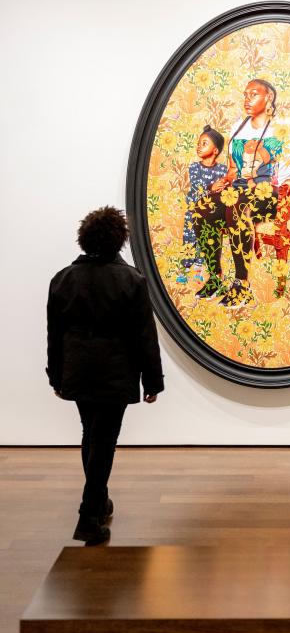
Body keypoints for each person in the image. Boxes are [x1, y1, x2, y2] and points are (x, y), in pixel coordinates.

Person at [46, 207, 164, 544]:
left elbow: (55, 334)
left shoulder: (63, 279)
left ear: (84, 239)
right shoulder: (131, 280)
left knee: (90, 434)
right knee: (103, 441)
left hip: (78, 370)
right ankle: (87, 514)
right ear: (120, 240)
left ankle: (99, 502)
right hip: (115, 371)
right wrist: (152, 381)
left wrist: (56, 375)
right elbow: (145, 335)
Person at [196, 79, 285, 308]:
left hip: (269, 192)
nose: (247, 99)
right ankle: (216, 278)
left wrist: (261, 151)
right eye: (245, 94)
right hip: (240, 190)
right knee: (202, 209)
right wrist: (223, 181)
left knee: (237, 207)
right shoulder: (238, 127)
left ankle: (241, 285)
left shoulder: (281, 127)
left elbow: (279, 163)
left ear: (269, 98)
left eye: (253, 94)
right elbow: (234, 170)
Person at [179, 125, 227, 289]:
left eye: (204, 143)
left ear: (215, 150)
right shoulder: (194, 167)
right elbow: (197, 187)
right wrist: (210, 188)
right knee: (189, 239)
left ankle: (199, 270)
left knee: (205, 241)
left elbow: (221, 191)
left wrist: (219, 188)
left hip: (210, 214)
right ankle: (184, 270)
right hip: (193, 212)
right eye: (199, 143)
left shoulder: (222, 169)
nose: (199, 146)